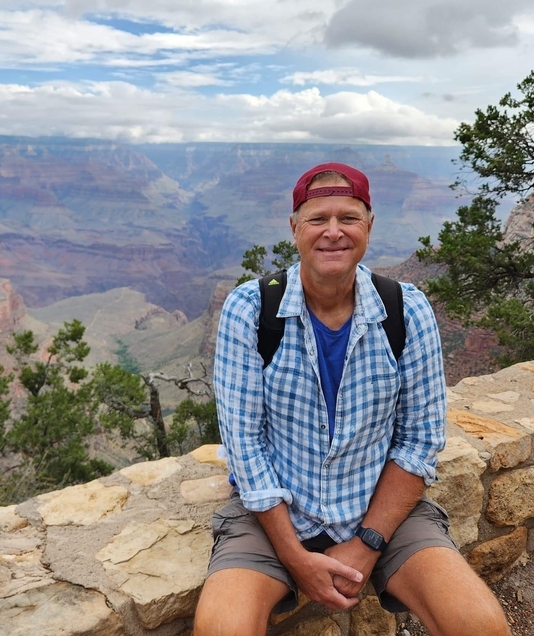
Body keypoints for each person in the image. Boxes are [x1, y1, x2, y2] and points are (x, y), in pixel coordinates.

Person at [194, 163, 510, 636]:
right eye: (318, 218)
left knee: (481, 626)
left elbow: (419, 442)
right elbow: (246, 448)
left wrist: (366, 544)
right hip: (273, 515)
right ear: (295, 227)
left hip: (379, 508)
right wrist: (297, 559)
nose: (333, 232)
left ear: (370, 225)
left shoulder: (406, 309)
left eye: (349, 217)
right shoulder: (251, 308)